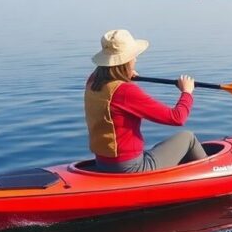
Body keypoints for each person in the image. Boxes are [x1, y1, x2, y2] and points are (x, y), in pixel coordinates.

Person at [85, 29, 207, 173]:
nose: (135, 59)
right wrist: (187, 92)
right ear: (125, 61)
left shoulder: (92, 81)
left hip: (103, 163)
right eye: (133, 57)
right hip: (130, 167)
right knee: (188, 138)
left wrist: (125, 74)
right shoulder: (125, 91)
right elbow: (177, 118)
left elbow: (117, 94)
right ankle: (213, 176)